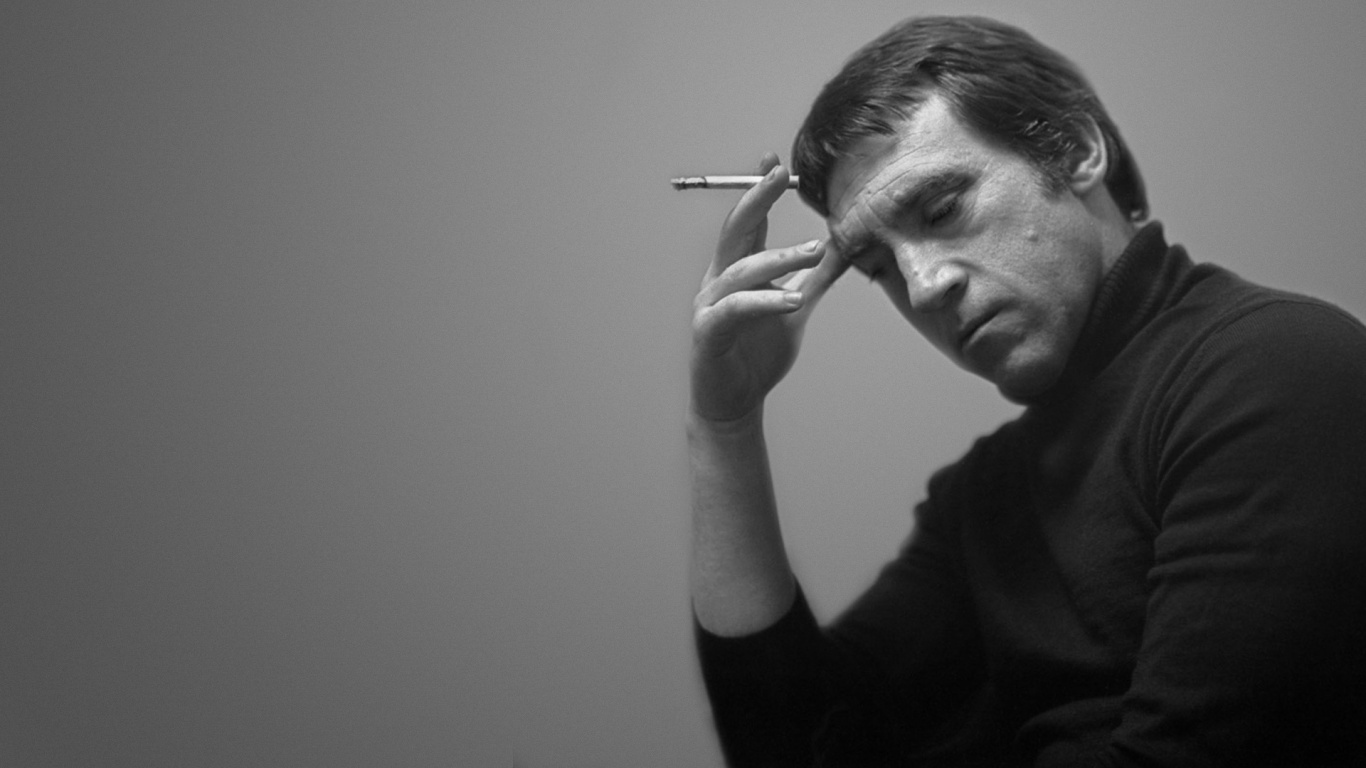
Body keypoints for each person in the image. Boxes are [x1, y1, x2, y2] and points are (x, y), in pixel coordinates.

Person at [687, 15, 1366, 767]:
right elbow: (795, 746)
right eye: (878, 267)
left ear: (1075, 150)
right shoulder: (986, 495)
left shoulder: (1275, 369)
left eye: (942, 209)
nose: (923, 285)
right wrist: (726, 424)